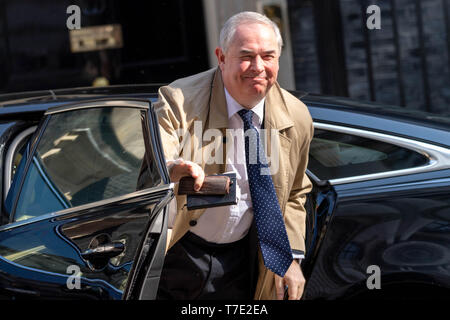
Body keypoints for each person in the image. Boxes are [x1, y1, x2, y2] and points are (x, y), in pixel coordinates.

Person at [155, 11, 313, 300]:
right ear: (221, 57)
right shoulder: (179, 100)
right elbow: (155, 164)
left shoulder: (297, 116)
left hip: (244, 257)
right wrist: (172, 168)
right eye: (246, 56)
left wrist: (290, 255)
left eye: (268, 56)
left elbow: (294, 193)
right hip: (180, 251)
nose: (258, 67)